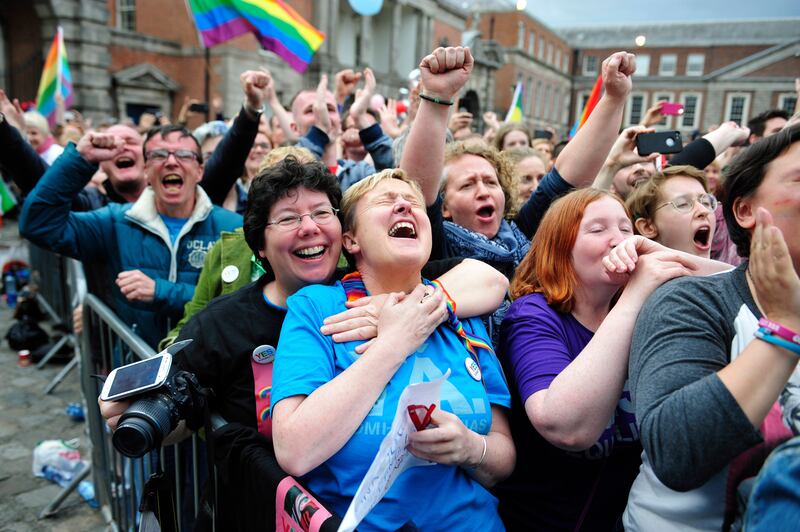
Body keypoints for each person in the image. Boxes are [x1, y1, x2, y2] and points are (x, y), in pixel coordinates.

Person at [271, 169, 515, 531]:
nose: (404, 205)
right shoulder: (317, 308)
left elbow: (502, 457)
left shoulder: (461, 311)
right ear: (351, 240)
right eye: (385, 201)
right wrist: (397, 339)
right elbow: (294, 451)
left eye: (413, 202)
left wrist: (470, 448)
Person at [496, 188, 711, 530]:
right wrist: (636, 294)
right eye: (597, 230)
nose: (618, 241)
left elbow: (741, 288)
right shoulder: (534, 314)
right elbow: (564, 427)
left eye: (626, 230)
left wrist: (658, 253)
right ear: (561, 248)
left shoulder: (649, 310)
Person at [623, 125, 800, 531]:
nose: (700, 210)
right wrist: (785, 330)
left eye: (705, 201)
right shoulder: (691, 301)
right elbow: (676, 452)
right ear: (744, 210)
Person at [401, 47, 638, 278]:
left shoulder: (522, 232)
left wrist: (614, 98)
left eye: (491, 183)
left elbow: (568, 176)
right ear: (444, 207)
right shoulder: (433, 241)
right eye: (467, 185)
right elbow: (416, 189)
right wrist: (437, 96)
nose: (483, 192)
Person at [19, 124, 242, 348]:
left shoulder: (232, 228)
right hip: (135, 368)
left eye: (184, 154)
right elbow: (38, 224)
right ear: (146, 169)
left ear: (200, 170)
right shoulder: (116, 221)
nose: (171, 162)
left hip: (209, 369)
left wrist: (160, 291)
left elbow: (239, 302)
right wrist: (81, 159)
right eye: (159, 154)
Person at [625, 165, 717, 257]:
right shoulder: (641, 271)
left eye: (706, 202)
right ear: (647, 227)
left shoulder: (727, 269)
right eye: (683, 204)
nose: (703, 210)